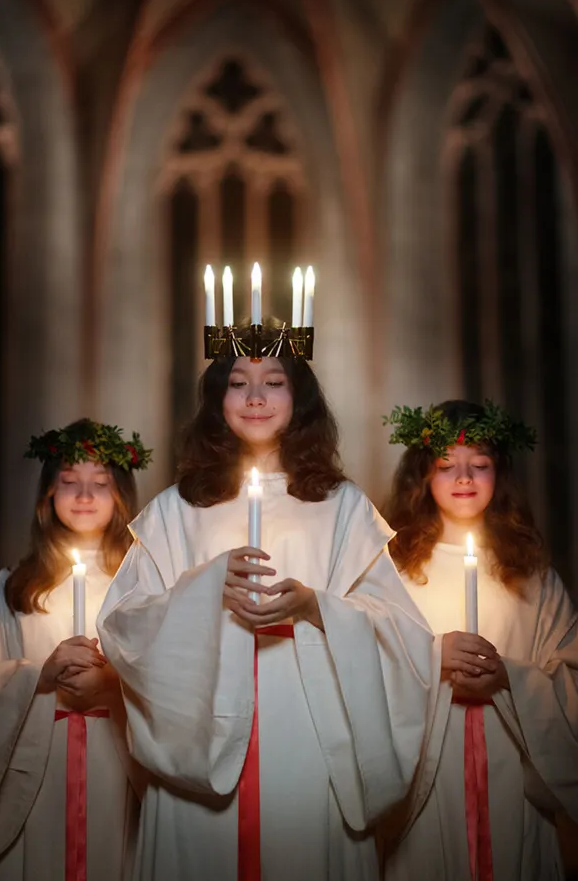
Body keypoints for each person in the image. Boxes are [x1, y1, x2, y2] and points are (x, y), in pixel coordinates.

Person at [97, 328, 445, 881]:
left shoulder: (342, 507)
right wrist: (204, 590)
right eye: (238, 383)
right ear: (217, 400)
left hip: (310, 732)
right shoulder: (176, 510)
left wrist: (316, 608)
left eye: (273, 382)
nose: (255, 397)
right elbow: (121, 625)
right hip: (200, 736)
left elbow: (403, 632)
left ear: (299, 396)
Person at [379, 399, 578, 880]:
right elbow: (369, 656)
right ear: (423, 476)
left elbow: (570, 672)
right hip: (429, 767)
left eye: (480, 465)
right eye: (447, 465)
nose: (464, 477)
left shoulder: (531, 577)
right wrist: (433, 659)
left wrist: (511, 677)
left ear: (500, 476)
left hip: (513, 763)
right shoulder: (395, 571)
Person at [0, 419, 152, 881]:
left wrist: (111, 683)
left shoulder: (141, 587)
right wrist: (39, 673)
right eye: (69, 482)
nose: (84, 495)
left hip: (116, 767)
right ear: (46, 496)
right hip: (36, 768)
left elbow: (172, 678)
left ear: (121, 498)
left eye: (101, 484)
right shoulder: (9, 592)